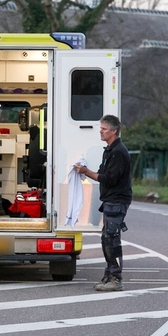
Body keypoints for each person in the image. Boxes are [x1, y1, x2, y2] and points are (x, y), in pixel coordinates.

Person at [73, 114, 132, 292]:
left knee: (111, 240)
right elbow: (102, 173)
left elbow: (109, 178)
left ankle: (116, 278)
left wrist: (85, 171)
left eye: (104, 129)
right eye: (101, 128)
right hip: (110, 200)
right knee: (107, 238)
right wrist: (88, 171)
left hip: (116, 199)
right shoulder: (110, 150)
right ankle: (109, 275)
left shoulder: (118, 152)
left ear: (114, 131)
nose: (101, 131)